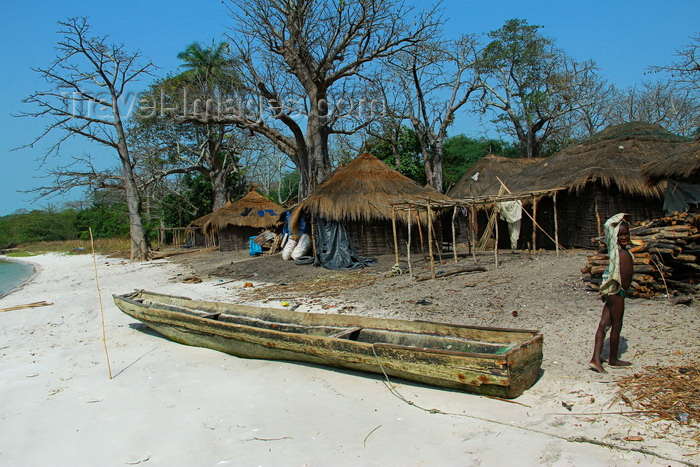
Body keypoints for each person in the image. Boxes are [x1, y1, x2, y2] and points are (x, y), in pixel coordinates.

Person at [590, 213, 634, 373]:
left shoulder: (620, 252)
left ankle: (595, 359)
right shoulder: (616, 252)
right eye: (620, 234)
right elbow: (608, 224)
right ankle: (613, 359)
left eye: (626, 233)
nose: (624, 237)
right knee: (616, 325)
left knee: (603, 325)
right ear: (614, 236)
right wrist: (620, 216)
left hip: (613, 292)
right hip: (617, 293)